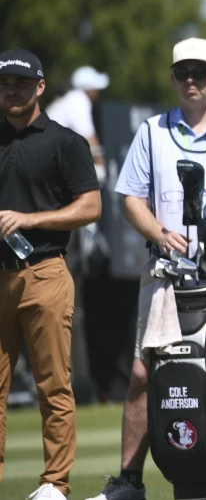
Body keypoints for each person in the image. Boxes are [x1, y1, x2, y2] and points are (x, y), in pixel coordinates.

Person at [82, 38, 206, 500]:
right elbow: (130, 197)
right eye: (182, 72)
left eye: (200, 71)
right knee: (143, 371)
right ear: (173, 79)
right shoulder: (152, 132)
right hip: (166, 274)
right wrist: (159, 230)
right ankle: (130, 482)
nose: (190, 79)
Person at [0, 49, 102, 500]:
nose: (12, 90)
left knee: (52, 384)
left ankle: (55, 486)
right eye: (6, 84)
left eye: (22, 83)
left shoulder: (65, 142)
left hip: (44, 271)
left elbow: (90, 207)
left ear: (40, 87)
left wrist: (30, 219)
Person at [46, 64, 111, 408]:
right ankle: (77, 382)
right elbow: (90, 141)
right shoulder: (78, 101)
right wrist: (100, 172)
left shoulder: (62, 104)